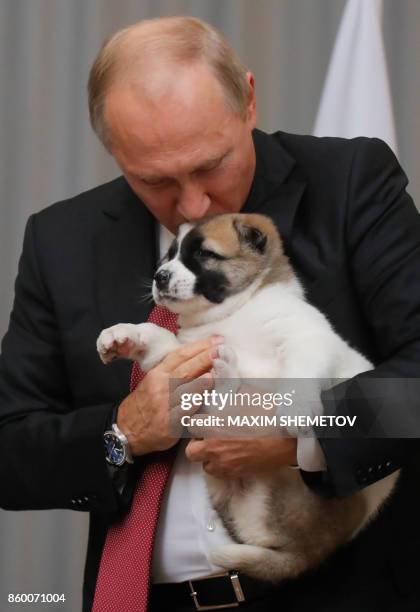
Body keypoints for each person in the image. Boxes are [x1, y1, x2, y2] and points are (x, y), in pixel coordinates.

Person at [1, 15, 420, 612]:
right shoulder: (60, 239)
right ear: (114, 151)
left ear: (247, 100)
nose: (191, 205)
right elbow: (10, 449)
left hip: (333, 591)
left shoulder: (352, 183)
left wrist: (301, 434)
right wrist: (123, 432)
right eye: (154, 181)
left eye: (210, 165)